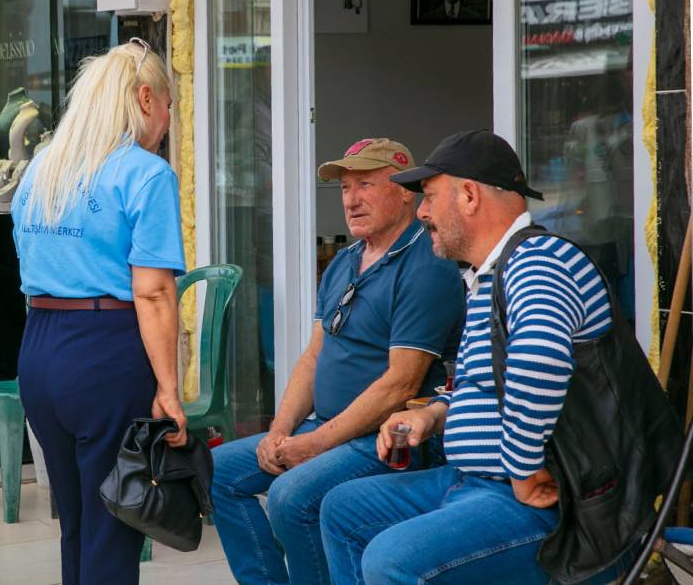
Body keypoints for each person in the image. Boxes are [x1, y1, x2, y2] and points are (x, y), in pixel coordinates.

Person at [319, 129, 612, 584]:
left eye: (430, 198)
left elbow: (540, 359)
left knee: (390, 559)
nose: (422, 212)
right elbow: (494, 382)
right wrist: (434, 415)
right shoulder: (486, 275)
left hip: (524, 499)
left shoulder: (538, 260)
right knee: (342, 508)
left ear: (470, 196)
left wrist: (521, 468)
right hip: (469, 480)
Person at [211, 137, 465, 585]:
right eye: (345, 188)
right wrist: (279, 431)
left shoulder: (426, 264)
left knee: (291, 496)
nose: (351, 199)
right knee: (218, 473)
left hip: (384, 439)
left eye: (365, 184)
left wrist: (315, 444)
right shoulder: (345, 261)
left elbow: (401, 384)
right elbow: (313, 356)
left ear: (405, 191)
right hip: (325, 428)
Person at [10, 38, 188, 585]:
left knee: (78, 522)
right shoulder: (146, 173)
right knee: (114, 527)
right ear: (142, 97)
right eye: (166, 106)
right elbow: (154, 292)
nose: (165, 121)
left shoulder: (43, 167)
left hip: (40, 347)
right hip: (107, 348)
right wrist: (169, 388)